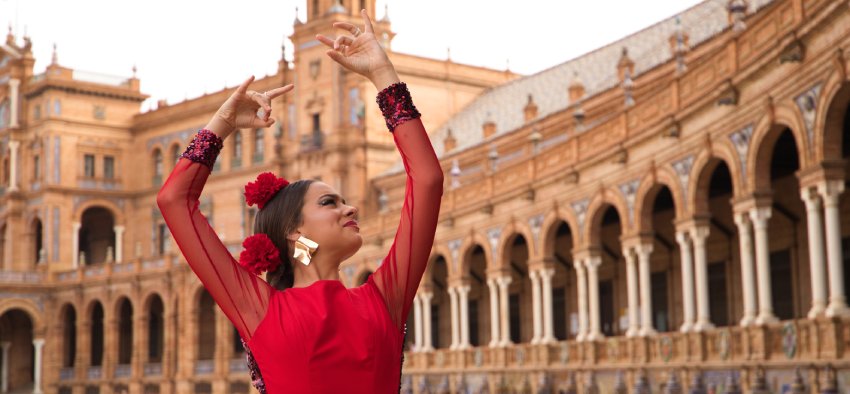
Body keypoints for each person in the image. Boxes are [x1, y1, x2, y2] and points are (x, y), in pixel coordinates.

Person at [155, 10, 443, 394]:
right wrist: (222, 123)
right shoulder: (262, 307)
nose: (350, 208)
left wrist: (382, 74)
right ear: (294, 232)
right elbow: (174, 200)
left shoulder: (380, 298)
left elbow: (427, 180)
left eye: (341, 201)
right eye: (329, 202)